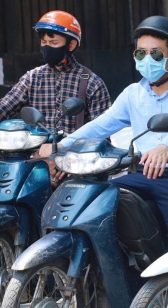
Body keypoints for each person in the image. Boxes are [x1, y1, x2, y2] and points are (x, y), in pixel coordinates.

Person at [59, 16, 168, 240]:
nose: (147, 59)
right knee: (96, 202)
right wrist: (61, 144)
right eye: (141, 53)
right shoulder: (132, 93)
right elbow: (102, 124)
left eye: (155, 53)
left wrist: (164, 146)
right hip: (141, 173)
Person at [0, 11, 111, 184]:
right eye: (44, 42)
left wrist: (66, 161)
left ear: (71, 45)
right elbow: (4, 108)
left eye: (53, 43)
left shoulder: (91, 83)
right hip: (33, 164)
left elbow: (103, 134)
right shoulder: (32, 78)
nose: (47, 47)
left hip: (76, 167)